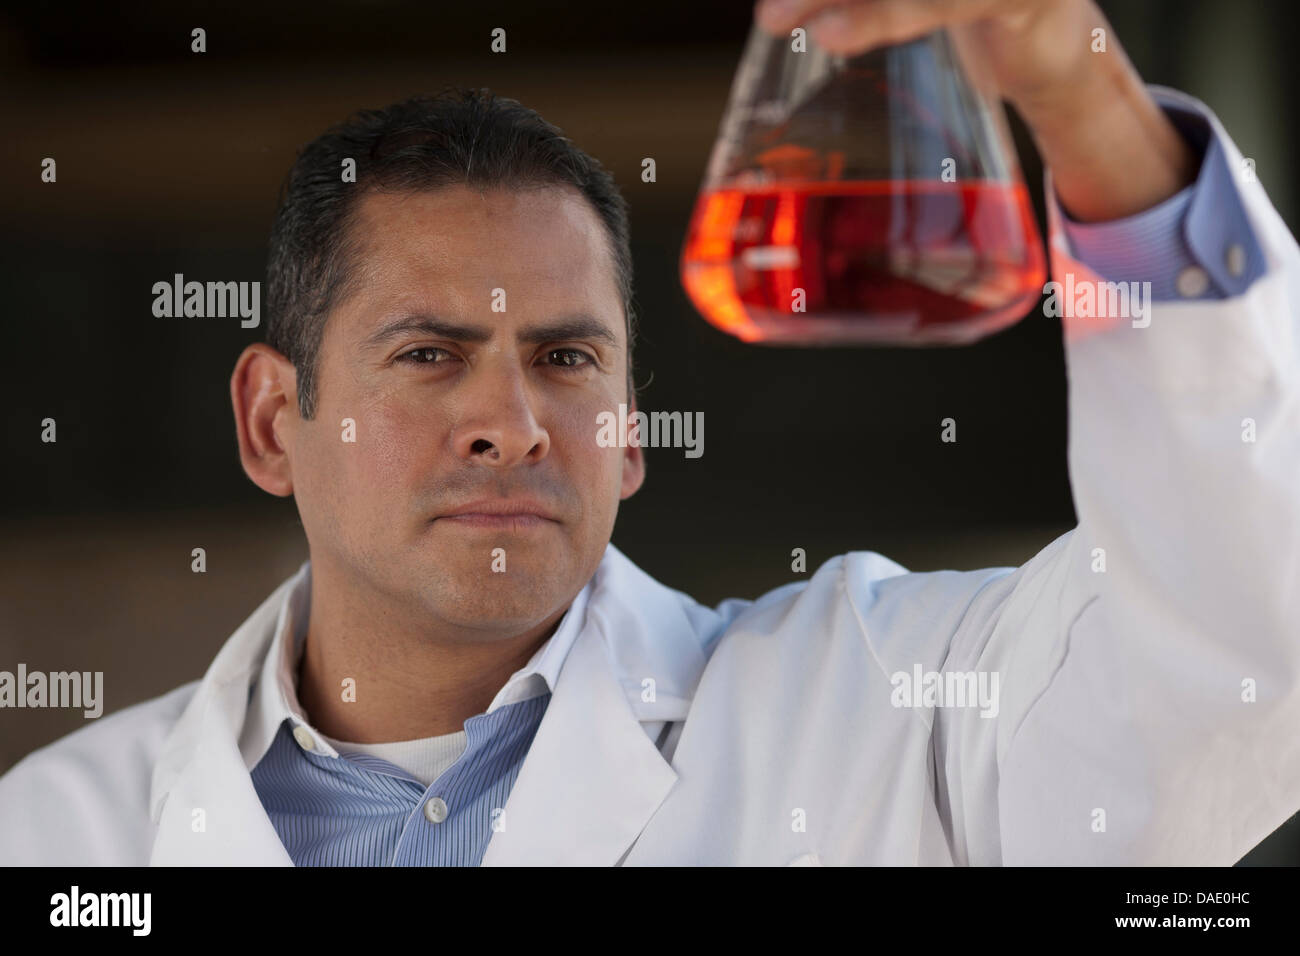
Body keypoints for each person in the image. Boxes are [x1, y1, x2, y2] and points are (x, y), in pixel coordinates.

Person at [2, 0, 1298, 866]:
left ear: (628, 433)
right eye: (429, 356)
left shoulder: (884, 718)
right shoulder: (62, 839)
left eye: (566, 358)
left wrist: (1082, 104)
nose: (510, 425)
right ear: (274, 420)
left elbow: (1241, 655)